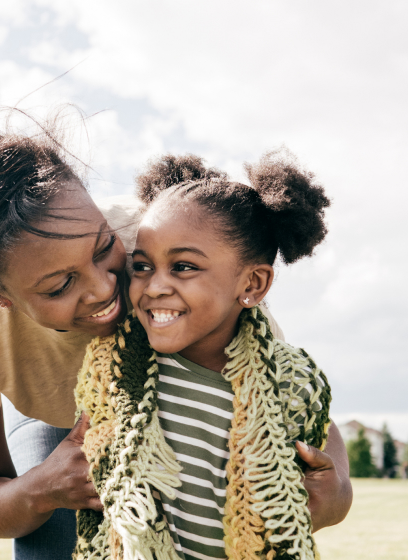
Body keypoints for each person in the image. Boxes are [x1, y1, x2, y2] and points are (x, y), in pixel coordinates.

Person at [0, 114, 352, 560]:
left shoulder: (163, 243)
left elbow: (279, 394)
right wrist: (40, 490)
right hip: (55, 423)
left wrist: (337, 487)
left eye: (104, 249)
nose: (106, 288)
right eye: (59, 286)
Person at [73, 151, 340, 560]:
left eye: (182, 266)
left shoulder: (283, 378)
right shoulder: (119, 371)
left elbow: (325, 436)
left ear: (252, 283)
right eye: (142, 267)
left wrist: (340, 491)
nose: (155, 286)